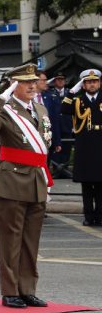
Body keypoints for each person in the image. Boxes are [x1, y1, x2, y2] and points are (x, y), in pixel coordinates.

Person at [0, 63, 52, 308]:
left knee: (31, 242)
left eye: (33, 81)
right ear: (13, 86)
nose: (32, 85)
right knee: (10, 241)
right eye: (24, 82)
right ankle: (10, 291)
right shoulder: (5, 109)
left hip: (37, 180)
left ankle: (27, 289)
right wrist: (1, 99)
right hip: (11, 181)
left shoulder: (40, 109)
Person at [61, 69, 102, 226]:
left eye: (95, 81)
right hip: (85, 146)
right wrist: (72, 92)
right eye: (88, 82)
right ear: (83, 85)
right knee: (86, 185)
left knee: (100, 185)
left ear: (99, 83)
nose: (92, 84)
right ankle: (88, 216)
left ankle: (100, 215)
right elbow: (63, 109)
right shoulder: (78, 101)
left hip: (100, 145)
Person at [45, 73, 72, 178]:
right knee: (56, 148)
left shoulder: (70, 92)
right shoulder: (50, 93)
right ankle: (56, 171)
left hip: (67, 124)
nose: (60, 81)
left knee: (67, 148)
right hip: (55, 125)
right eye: (58, 79)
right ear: (54, 81)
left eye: (62, 79)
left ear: (65, 81)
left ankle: (65, 170)